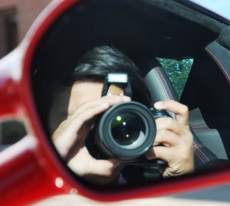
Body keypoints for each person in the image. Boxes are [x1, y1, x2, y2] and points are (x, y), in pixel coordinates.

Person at [49, 46, 195, 185]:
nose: (99, 133)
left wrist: (181, 180)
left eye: (116, 120)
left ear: (146, 126)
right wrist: (50, 167)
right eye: (77, 119)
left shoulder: (146, 184)